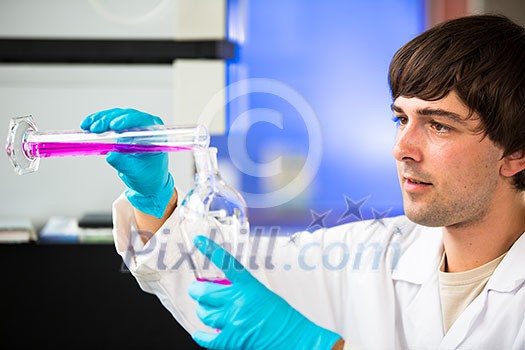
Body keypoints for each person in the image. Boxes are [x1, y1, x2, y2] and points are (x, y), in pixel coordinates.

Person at [81, 14, 525, 349]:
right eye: (401, 118)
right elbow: (225, 284)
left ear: (516, 153)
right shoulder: (374, 253)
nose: (402, 147)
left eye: (439, 126)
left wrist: (315, 346)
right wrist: (155, 201)